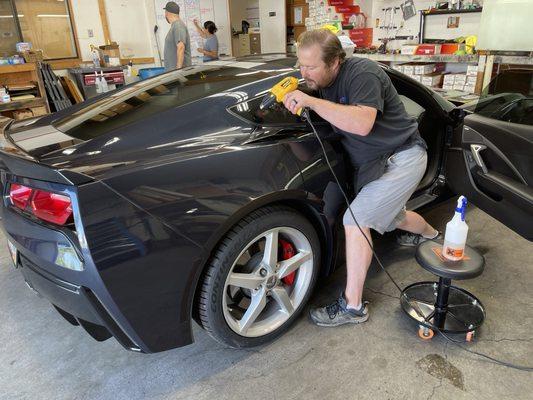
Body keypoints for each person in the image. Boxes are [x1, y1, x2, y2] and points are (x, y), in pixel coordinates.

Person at [282, 29, 440, 327]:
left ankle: (353, 307)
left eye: (311, 67)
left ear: (335, 62)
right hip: (374, 166)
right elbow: (307, 153)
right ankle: (432, 235)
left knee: (356, 220)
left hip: (403, 156)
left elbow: (363, 122)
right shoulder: (318, 86)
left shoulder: (362, 72)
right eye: (300, 65)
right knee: (395, 217)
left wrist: (311, 101)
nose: (304, 74)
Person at [163, 1, 191, 71]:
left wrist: (178, 71)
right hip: (173, 72)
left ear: (166, 13)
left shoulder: (178, 26)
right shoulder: (175, 26)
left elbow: (181, 47)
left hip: (178, 73)